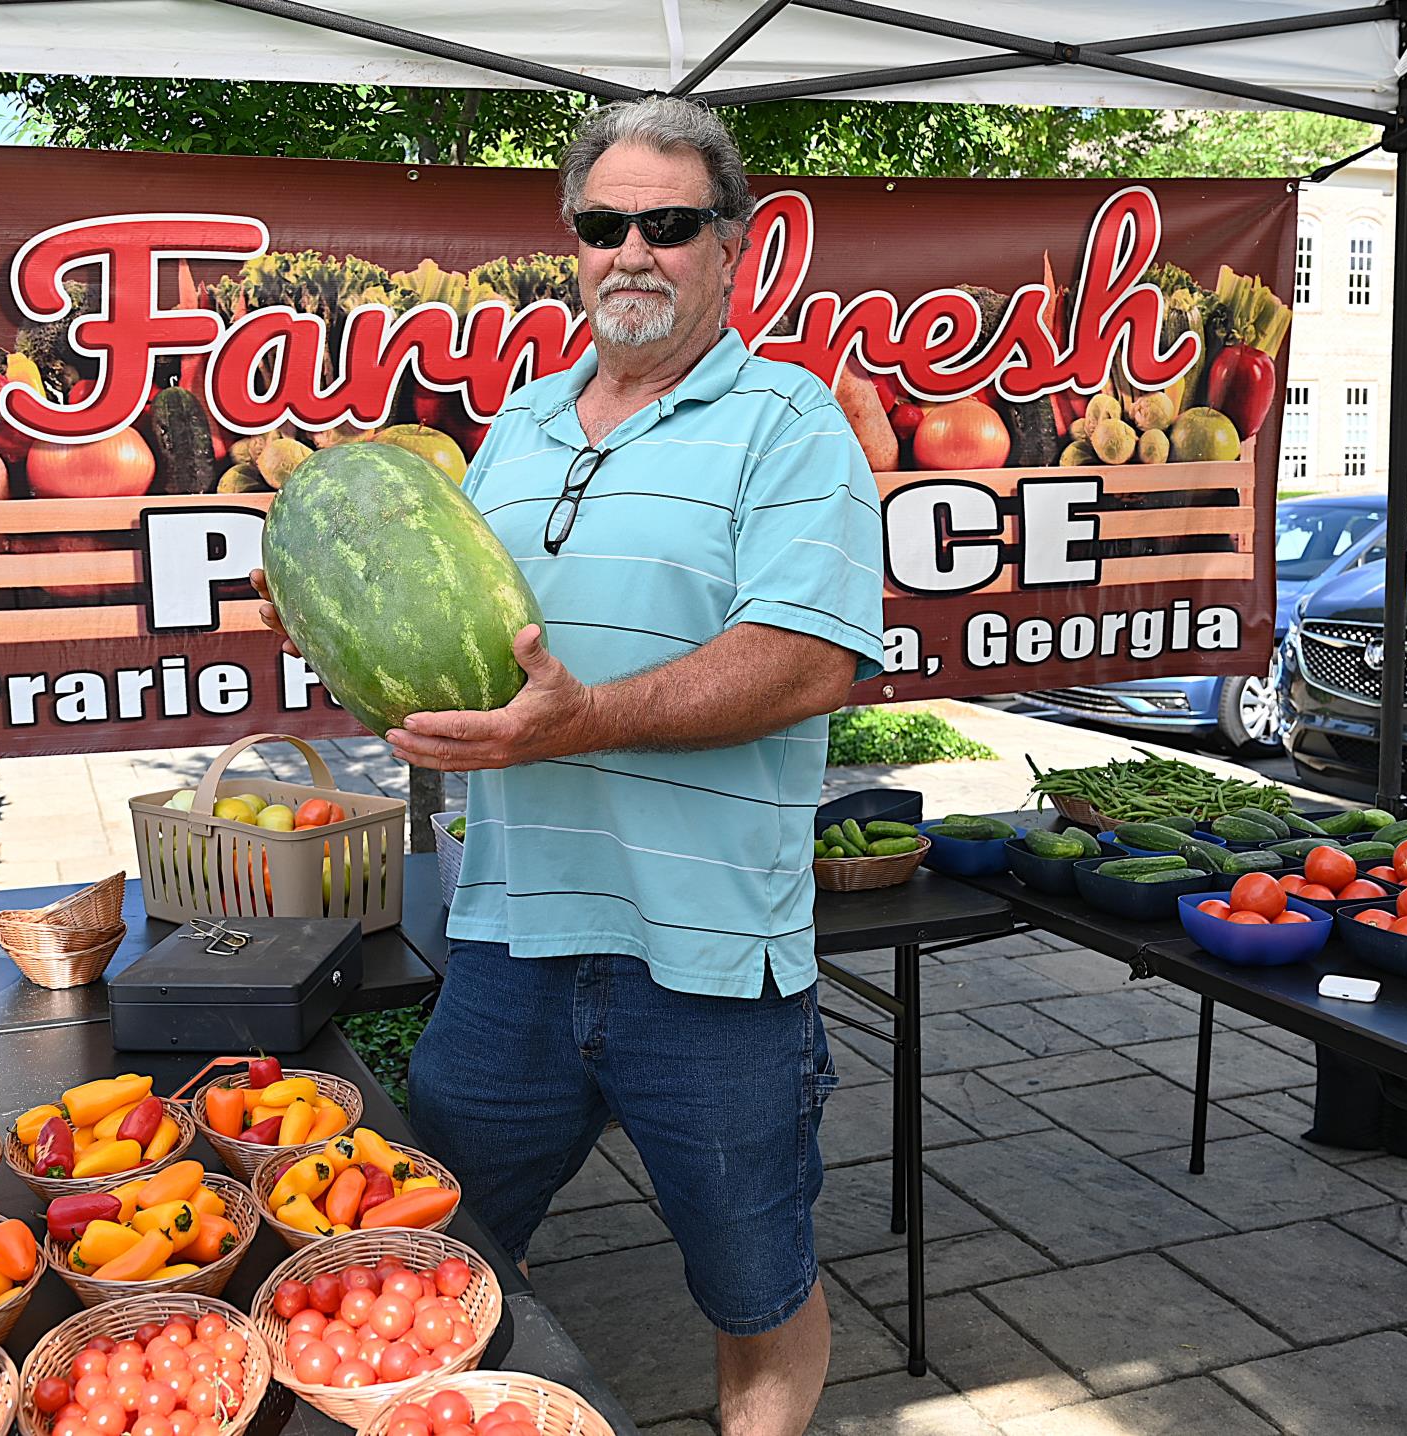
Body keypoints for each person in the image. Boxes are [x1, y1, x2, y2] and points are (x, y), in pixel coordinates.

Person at [254, 96, 883, 1436]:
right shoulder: (521, 430)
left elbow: (806, 661)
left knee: (754, 1292)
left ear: (735, 244)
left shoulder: (791, 423)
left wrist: (584, 718)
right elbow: (463, 650)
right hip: (509, 947)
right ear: (572, 246)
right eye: (601, 226)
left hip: (710, 964)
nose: (630, 253)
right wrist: (339, 625)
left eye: (667, 223)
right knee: (439, 1265)